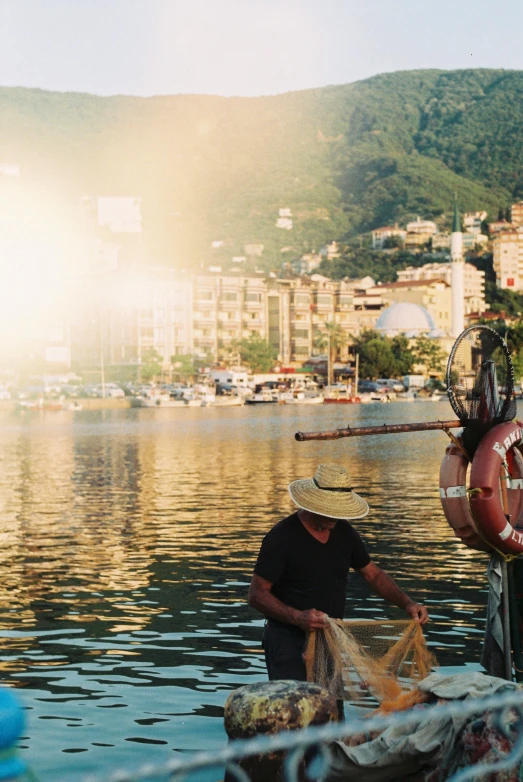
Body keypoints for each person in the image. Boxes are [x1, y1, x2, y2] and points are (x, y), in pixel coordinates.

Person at [248, 463, 429, 682]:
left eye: (339, 510)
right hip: (287, 642)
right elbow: (257, 595)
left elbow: (373, 574)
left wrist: (407, 603)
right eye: (330, 509)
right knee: (295, 709)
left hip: (329, 640)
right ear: (313, 502)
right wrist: (297, 617)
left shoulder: (343, 531)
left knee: (330, 709)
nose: (335, 516)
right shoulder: (281, 538)